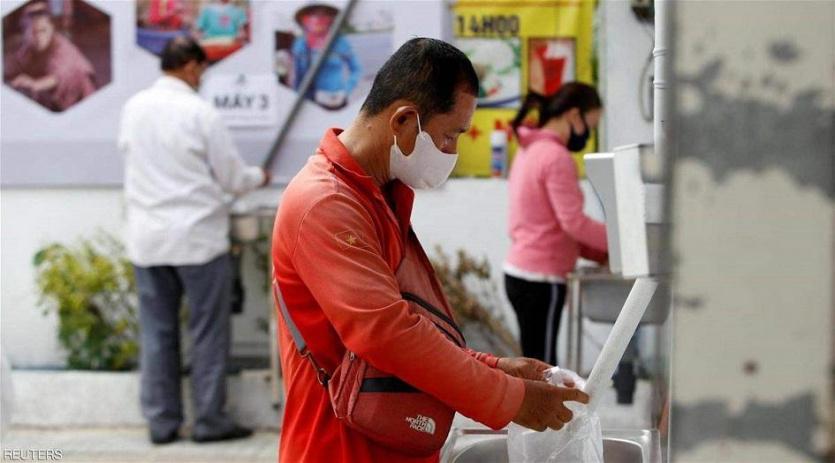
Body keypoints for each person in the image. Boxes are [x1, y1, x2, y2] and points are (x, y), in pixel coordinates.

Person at [272, 37, 589, 463]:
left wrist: (497, 368)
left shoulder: (379, 195)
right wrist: (511, 398)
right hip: (339, 446)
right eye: (449, 136)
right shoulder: (325, 204)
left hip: (386, 439)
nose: (452, 152)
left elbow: (413, 325)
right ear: (404, 120)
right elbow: (387, 333)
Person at [118, 36, 270, 445]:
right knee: (207, 332)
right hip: (197, 238)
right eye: (202, 69)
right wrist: (258, 177)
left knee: (157, 333)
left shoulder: (133, 108)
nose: (202, 77)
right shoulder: (200, 113)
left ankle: (162, 423)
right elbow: (232, 178)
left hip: (148, 240)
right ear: (190, 66)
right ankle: (208, 421)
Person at [504, 83, 609, 366]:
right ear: (574, 115)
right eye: (590, 126)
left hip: (519, 272)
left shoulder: (529, 149)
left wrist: (599, 252)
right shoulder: (556, 156)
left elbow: (552, 224)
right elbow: (574, 222)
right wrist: (623, 241)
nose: (588, 134)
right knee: (545, 369)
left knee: (534, 363)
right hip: (542, 279)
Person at [3, 1, 96, 112]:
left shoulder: (62, 46)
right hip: (54, 97)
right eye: (33, 32)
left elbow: (59, 75)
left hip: (80, 98)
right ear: (25, 33)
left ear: (52, 29)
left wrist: (35, 84)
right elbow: (16, 62)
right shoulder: (28, 47)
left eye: (43, 30)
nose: (39, 37)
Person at [291, 3, 361, 110]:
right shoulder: (300, 44)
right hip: (309, 103)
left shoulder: (340, 42)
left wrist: (346, 90)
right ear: (305, 20)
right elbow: (297, 77)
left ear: (331, 20)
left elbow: (356, 69)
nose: (318, 20)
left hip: (338, 101)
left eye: (323, 15)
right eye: (313, 15)